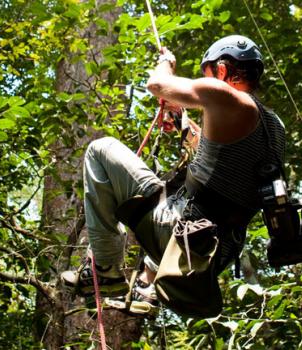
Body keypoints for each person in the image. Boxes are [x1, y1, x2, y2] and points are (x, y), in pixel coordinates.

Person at [61, 35, 286, 316]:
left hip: (179, 232)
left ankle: (105, 268)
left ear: (223, 70)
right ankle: (148, 286)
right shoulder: (274, 126)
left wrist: (165, 63)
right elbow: (216, 161)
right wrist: (181, 119)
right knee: (180, 188)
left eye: (208, 74)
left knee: (100, 149)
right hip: (215, 251)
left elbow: (157, 85)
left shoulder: (224, 94)